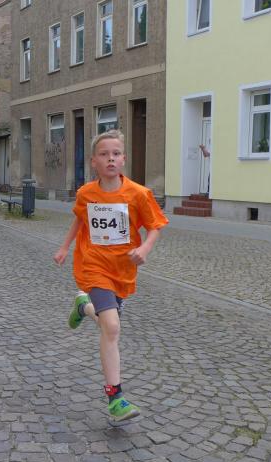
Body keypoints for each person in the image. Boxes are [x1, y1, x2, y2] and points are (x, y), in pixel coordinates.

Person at [53, 130, 168, 424]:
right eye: (104, 154)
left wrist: (145, 248)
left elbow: (155, 225)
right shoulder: (86, 193)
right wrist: (65, 247)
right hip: (93, 265)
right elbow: (80, 220)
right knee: (113, 327)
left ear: (123, 159)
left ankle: (83, 307)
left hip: (123, 269)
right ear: (94, 161)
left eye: (116, 154)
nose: (110, 159)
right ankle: (115, 398)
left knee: (108, 322)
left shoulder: (138, 194)